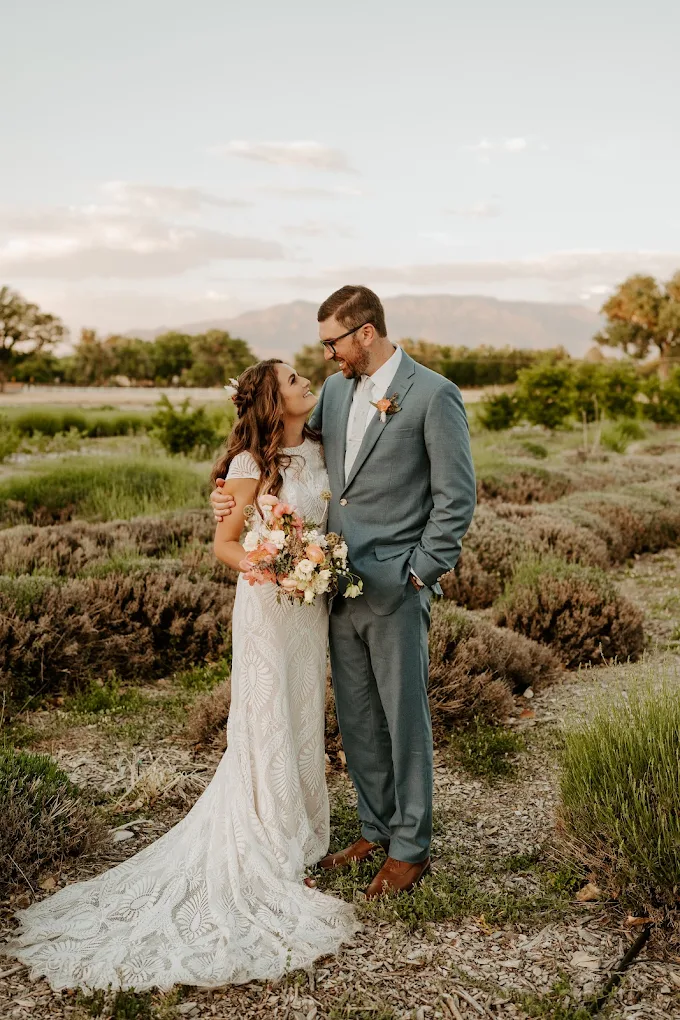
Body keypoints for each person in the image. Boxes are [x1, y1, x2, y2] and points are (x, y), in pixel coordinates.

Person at [2, 359, 359, 993]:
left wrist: (311, 566)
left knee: (305, 713)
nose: (306, 381)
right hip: (269, 604)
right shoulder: (251, 464)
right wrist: (273, 567)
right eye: (293, 380)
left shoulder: (324, 444)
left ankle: (301, 831)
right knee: (266, 715)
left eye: (305, 374)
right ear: (274, 403)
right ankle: (270, 844)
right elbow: (225, 543)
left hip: (310, 610)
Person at [211, 286, 476, 899]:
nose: (326, 355)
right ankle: (374, 829)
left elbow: (456, 499)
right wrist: (227, 492)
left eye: (333, 342)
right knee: (357, 719)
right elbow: (286, 455)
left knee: (404, 718)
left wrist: (420, 571)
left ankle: (411, 847)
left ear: (365, 332)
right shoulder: (333, 391)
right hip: (329, 587)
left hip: (395, 586)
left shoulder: (435, 395)